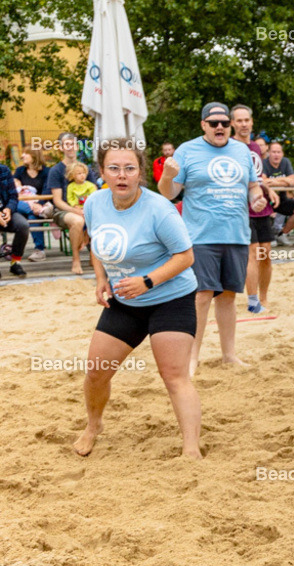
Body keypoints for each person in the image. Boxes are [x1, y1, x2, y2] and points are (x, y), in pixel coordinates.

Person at [75, 138, 202, 460]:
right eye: (114, 168)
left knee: (173, 375)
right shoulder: (95, 202)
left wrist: (148, 281)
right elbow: (97, 243)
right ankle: (93, 426)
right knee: (96, 370)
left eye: (129, 168)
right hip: (125, 301)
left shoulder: (158, 208)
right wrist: (101, 278)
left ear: (140, 173)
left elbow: (186, 257)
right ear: (102, 171)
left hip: (171, 297)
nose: (122, 175)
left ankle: (191, 450)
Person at [158, 102, 265, 377]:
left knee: (228, 296)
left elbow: (252, 186)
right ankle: (191, 359)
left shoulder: (241, 150)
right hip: (200, 235)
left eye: (224, 123)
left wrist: (257, 198)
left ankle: (229, 355)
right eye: (214, 122)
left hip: (237, 234)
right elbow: (169, 194)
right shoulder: (187, 150)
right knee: (202, 296)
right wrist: (167, 177)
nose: (220, 127)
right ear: (203, 124)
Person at [230, 104, 279, 314]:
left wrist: (270, 190)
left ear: (251, 122)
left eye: (246, 120)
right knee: (252, 253)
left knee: (265, 253)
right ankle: (252, 301)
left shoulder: (256, 148)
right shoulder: (229, 147)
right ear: (232, 123)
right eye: (239, 120)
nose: (243, 124)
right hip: (241, 207)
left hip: (261, 205)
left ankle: (264, 296)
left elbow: (257, 177)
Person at [45, 132, 101, 274]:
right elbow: (57, 201)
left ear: (77, 146)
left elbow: (95, 193)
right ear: (61, 148)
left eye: (73, 144)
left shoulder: (85, 169)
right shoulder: (56, 170)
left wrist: (86, 210)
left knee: (99, 218)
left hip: (85, 209)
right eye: (66, 144)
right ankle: (76, 260)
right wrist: (76, 211)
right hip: (63, 211)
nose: (70, 147)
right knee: (77, 221)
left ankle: (93, 257)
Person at [263, 141, 294, 247]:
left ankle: (282, 234)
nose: (276, 155)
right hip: (267, 199)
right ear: (269, 153)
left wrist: (274, 181)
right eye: (273, 152)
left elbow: (292, 181)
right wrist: (285, 180)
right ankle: (269, 237)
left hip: (282, 199)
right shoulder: (263, 163)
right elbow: (264, 181)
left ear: (282, 154)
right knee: (259, 210)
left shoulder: (286, 162)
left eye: (278, 152)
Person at [13, 147, 50, 261]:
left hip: (39, 203)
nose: (22, 156)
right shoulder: (20, 171)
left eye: (25, 153)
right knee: (29, 210)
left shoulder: (46, 172)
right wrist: (35, 207)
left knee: (33, 215)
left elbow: (47, 190)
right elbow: (14, 189)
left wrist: (39, 203)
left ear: (34, 155)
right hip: (20, 205)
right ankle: (40, 212)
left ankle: (39, 251)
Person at [0, 161, 30, 278]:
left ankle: (15, 262)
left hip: (6, 211)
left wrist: (8, 209)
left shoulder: (4, 170)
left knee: (23, 225)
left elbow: (13, 196)